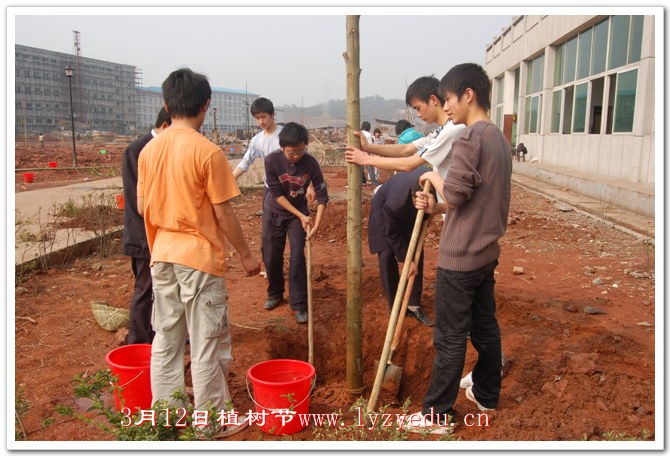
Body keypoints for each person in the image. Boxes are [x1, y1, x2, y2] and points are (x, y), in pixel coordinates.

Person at [137, 68, 261, 434]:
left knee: (167, 340)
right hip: (199, 261)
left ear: (165, 104)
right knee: (205, 343)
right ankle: (213, 423)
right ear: (206, 105)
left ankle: (167, 419)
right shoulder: (208, 153)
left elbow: (144, 207)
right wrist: (246, 254)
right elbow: (223, 212)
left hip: (162, 255)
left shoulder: (149, 150)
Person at [404, 63, 512, 434]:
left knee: (449, 338)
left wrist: (433, 175)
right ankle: (486, 392)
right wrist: (436, 207)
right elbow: (469, 198)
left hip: (461, 257)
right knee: (484, 326)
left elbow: (455, 191)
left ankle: (437, 415)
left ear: (469, 95)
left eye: (449, 99)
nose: (446, 108)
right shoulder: (498, 138)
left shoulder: (470, 138)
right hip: (485, 252)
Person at [261, 122, 329, 324]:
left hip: (298, 214)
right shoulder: (271, 161)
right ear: (282, 148)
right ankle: (275, 293)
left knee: (298, 256)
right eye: (292, 153)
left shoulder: (311, 164)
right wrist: (300, 216)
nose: (296, 156)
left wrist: (316, 224)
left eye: (301, 151)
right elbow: (276, 194)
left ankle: (299, 304)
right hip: (274, 211)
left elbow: (323, 196)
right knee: (272, 255)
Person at [345, 76, 465, 183]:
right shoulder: (438, 133)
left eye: (418, 108)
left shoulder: (451, 130)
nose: (418, 114)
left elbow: (409, 164)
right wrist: (368, 147)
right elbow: (406, 149)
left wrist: (366, 159)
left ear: (433, 100)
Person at [121, 107, 171, 344]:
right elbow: (137, 201)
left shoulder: (162, 148)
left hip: (162, 232)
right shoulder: (138, 150)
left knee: (162, 288)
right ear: (165, 126)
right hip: (144, 234)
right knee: (145, 287)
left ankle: (157, 334)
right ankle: (138, 342)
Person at [368, 167, 433, 327]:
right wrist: (405, 260)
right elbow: (393, 233)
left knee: (416, 251)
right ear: (413, 196)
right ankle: (395, 305)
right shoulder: (395, 204)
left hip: (412, 213)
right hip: (384, 214)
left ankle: (413, 304)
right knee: (386, 254)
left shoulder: (435, 185)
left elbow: (437, 211)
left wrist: (429, 213)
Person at [232, 97, 281, 182]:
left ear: (272, 114)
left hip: (290, 185)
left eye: (264, 117)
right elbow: (245, 161)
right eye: (257, 118)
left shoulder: (286, 134)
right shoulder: (256, 140)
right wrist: (230, 179)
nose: (261, 121)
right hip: (271, 186)